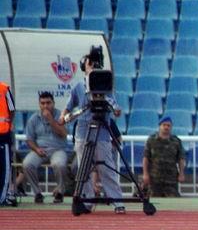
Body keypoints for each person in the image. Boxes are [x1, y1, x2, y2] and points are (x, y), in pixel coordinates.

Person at [62, 53, 125, 213]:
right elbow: (69, 107)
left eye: (96, 63)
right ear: (84, 66)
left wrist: (115, 109)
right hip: (83, 131)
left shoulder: (105, 85)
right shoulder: (78, 87)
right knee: (84, 168)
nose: (93, 66)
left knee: (106, 167)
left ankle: (117, 202)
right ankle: (86, 201)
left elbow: (114, 106)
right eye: (90, 63)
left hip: (102, 131)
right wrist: (63, 116)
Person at [22, 91, 71, 204]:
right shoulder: (34, 118)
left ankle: (60, 192)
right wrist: (36, 149)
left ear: (53, 103)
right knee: (27, 164)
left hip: (58, 149)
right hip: (40, 149)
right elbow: (29, 139)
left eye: (48, 103)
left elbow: (63, 133)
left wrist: (51, 120)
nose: (45, 106)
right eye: (42, 103)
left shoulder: (61, 116)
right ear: (39, 104)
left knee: (59, 164)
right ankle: (37, 193)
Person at [142, 115, 185, 197]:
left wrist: (181, 173)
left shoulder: (176, 141)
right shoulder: (151, 140)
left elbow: (181, 159)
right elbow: (146, 158)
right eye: (164, 125)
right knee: (154, 200)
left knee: (173, 201)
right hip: (155, 178)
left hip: (171, 179)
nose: (166, 127)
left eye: (168, 125)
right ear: (160, 126)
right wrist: (145, 174)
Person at [0, 80, 15, 208]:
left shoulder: (4, 88)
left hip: (3, 134)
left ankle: (2, 197)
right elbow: (12, 110)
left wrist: (9, 125)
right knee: (4, 168)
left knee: (4, 168)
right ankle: (2, 197)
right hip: (3, 133)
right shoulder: (4, 88)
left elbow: (11, 109)